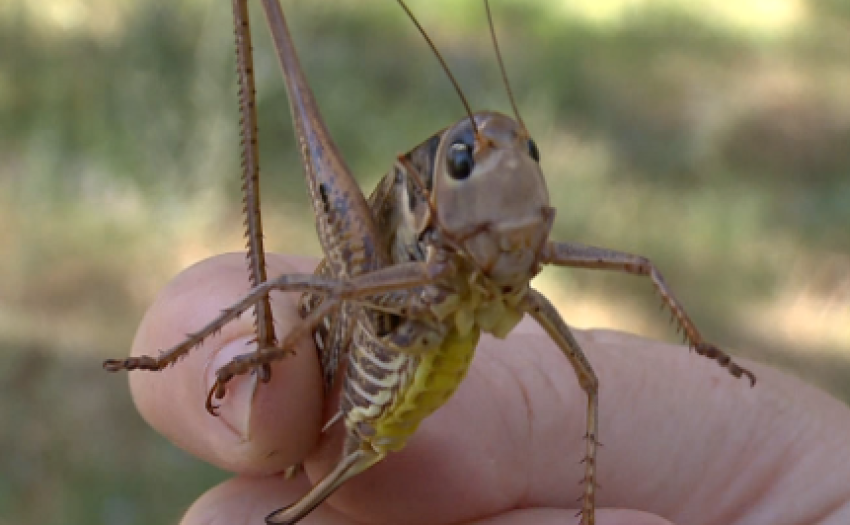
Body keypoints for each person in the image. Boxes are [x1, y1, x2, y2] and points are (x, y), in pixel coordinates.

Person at [126, 253, 850, 525]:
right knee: (289, 289)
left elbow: (640, 273)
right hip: (369, 362)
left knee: (584, 373)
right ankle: (185, 357)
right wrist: (268, 345)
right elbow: (293, 285)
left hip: (405, 421)